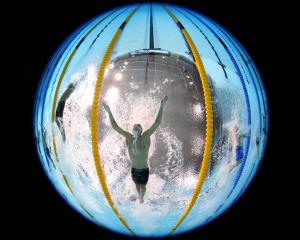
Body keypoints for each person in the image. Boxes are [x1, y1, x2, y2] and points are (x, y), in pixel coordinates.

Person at [103, 96, 168, 203]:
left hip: (144, 170)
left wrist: (162, 106)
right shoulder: (128, 137)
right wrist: (109, 111)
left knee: (143, 187)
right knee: (138, 186)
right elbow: (115, 126)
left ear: (141, 130)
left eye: (138, 126)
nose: (136, 126)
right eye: (135, 126)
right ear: (133, 130)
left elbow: (157, 123)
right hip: (134, 169)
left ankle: (142, 197)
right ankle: (140, 197)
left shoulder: (146, 136)